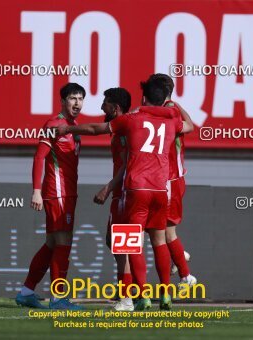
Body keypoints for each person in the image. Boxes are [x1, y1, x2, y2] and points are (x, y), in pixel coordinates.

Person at [55, 77, 193, 310]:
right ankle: (166, 294)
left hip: (135, 189)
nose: (101, 107)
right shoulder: (170, 121)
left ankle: (136, 296)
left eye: (105, 103)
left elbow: (95, 129)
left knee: (130, 245)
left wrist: (68, 128)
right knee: (158, 242)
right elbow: (189, 126)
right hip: (161, 189)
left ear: (143, 98)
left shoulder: (131, 120)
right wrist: (174, 105)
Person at [16, 83, 85, 310]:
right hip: (57, 192)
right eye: (73, 98)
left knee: (52, 244)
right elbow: (39, 158)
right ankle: (58, 299)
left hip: (68, 192)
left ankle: (26, 292)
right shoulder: (53, 124)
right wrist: (36, 190)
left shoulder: (73, 126)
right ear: (63, 101)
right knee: (63, 242)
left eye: (80, 98)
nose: (77, 103)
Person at [148, 74, 197, 289]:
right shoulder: (171, 109)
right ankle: (178, 257)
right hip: (166, 179)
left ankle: (186, 275)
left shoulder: (168, 111)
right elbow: (190, 125)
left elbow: (189, 126)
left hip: (169, 180)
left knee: (165, 232)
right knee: (159, 231)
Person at [94, 88, 134, 311]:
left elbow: (128, 164)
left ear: (115, 108)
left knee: (122, 247)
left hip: (124, 193)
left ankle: (127, 298)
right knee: (115, 243)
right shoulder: (122, 128)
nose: (102, 107)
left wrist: (108, 188)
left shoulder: (125, 128)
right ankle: (131, 293)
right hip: (122, 192)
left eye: (105, 103)